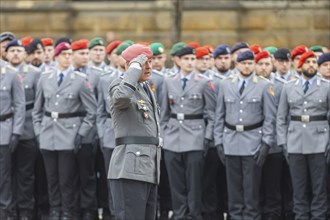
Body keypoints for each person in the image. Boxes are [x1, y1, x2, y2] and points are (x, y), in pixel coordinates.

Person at [32, 42, 97, 220]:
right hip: (47, 133)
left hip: (69, 133)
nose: (67, 58)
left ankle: (68, 211)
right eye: (63, 55)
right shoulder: (45, 78)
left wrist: (81, 133)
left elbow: (92, 111)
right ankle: (55, 210)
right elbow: (37, 110)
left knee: (66, 178)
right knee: (51, 178)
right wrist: (38, 131)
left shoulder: (80, 80)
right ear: (56, 57)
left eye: (69, 54)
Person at [214, 50, 276, 220]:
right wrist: (218, 141)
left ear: (254, 64)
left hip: (253, 143)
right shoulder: (226, 84)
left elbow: (270, 118)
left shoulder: (264, 85)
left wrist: (266, 144)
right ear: (237, 64)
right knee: (233, 190)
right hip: (231, 141)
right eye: (243, 63)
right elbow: (219, 115)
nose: (247, 66)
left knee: (251, 191)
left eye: (250, 63)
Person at [160, 46, 216, 220]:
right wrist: (162, 135)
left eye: (193, 59)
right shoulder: (168, 81)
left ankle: (194, 214)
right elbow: (163, 112)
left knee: (194, 183)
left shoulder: (204, 82)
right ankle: (179, 214)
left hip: (195, 136)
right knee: (176, 182)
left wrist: (207, 138)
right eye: (186, 59)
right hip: (173, 136)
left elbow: (211, 114)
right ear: (178, 61)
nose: (190, 63)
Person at [108, 44, 162, 220]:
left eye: (150, 62)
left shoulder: (146, 88)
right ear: (129, 66)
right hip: (129, 167)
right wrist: (134, 68)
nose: (148, 67)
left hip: (149, 167)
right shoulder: (119, 86)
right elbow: (121, 98)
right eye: (143, 63)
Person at [277, 51, 330, 220]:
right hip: (295, 142)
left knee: (319, 188)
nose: (312, 65)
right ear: (300, 66)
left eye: (314, 62)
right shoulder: (289, 86)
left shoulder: (327, 86)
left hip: (320, 141)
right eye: (308, 62)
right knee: (298, 188)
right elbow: (281, 117)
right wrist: (283, 142)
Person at [6, 38, 42, 220]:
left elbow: (39, 103)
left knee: (26, 175)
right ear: (6, 53)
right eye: (11, 50)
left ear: (24, 54)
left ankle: (26, 211)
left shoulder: (34, 73)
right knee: (6, 174)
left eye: (19, 51)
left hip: (27, 130)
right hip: (5, 130)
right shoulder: (3, 72)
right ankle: (9, 210)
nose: (15, 54)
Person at [255, 51, 283, 220]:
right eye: (260, 64)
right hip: (254, 145)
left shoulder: (282, 85)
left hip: (274, 147)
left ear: (272, 64)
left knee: (273, 190)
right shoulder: (250, 85)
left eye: (267, 64)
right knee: (255, 190)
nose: (264, 68)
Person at [0, 55, 25, 220]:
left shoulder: (10, 73)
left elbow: (19, 104)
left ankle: (5, 212)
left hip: (4, 130)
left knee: (4, 176)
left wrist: (16, 131)